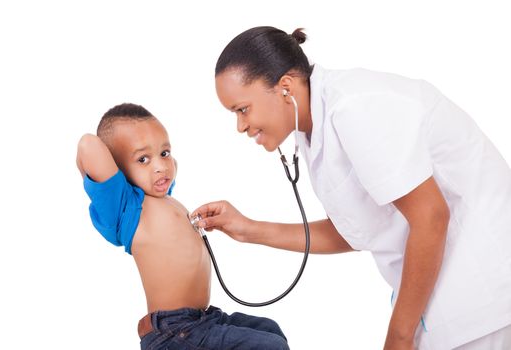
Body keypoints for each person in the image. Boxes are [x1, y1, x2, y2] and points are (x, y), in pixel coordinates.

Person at [191, 26, 511, 350]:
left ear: (285, 87)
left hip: (480, 290)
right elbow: (357, 231)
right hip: (451, 304)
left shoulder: (355, 107)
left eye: (242, 109)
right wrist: (248, 230)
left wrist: (399, 337)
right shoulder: (314, 126)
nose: (241, 126)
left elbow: (430, 216)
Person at [77, 103, 289, 350]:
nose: (160, 165)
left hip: (202, 319)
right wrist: (116, 175)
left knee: (270, 330)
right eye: (143, 159)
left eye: (164, 153)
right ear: (118, 171)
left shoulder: (166, 199)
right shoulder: (126, 208)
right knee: (269, 346)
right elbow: (87, 144)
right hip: (174, 332)